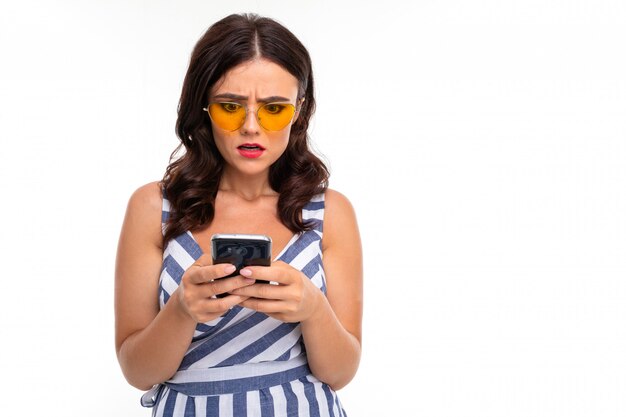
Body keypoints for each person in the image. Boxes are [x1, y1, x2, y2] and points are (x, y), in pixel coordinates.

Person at [115, 13, 362, 417]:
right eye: (231, 106)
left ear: (300, 111)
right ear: (204, 108)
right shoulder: (153, 207)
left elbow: (341, 371)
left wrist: (313, 309)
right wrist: (182, 310)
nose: (251, 127)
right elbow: (137, 371)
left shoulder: (330, 211)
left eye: (274, 109)